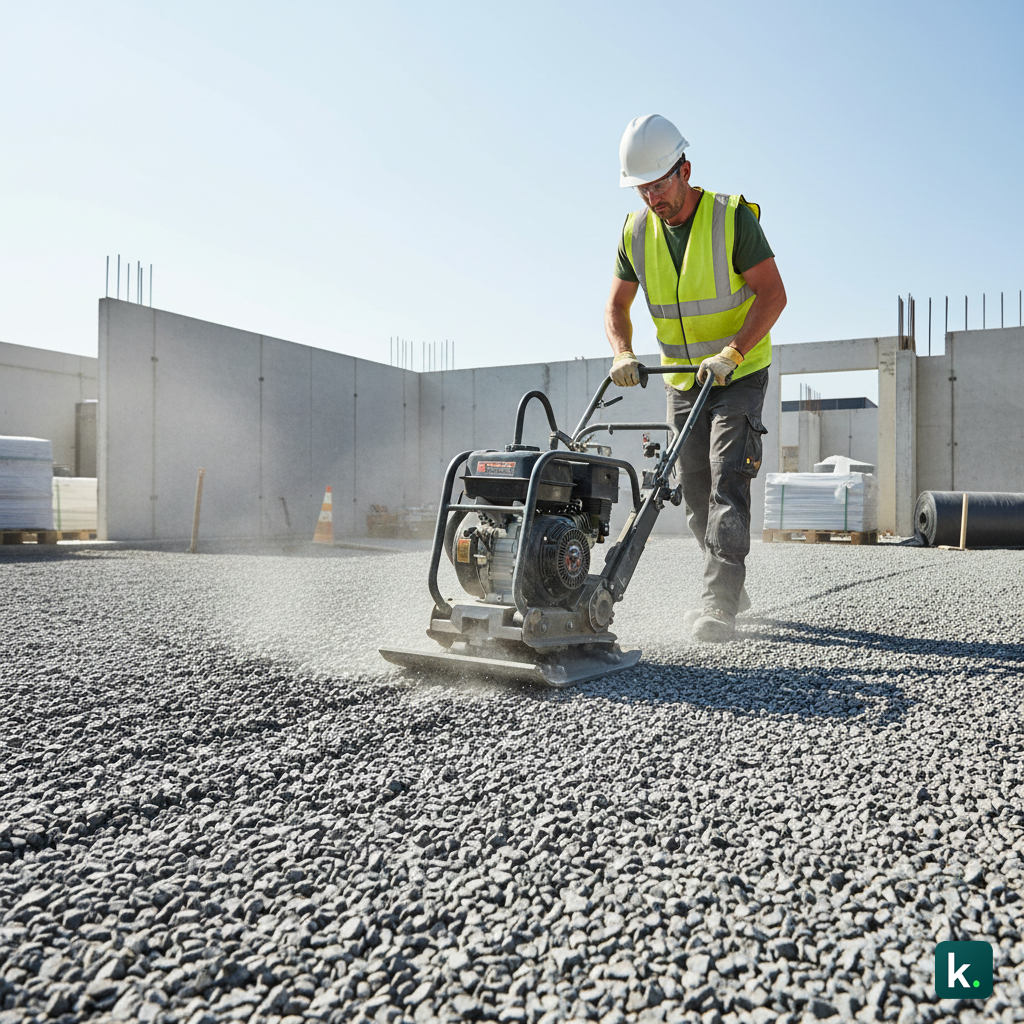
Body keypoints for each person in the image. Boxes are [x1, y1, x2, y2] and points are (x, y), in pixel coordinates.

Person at [604, 114, 787, 642]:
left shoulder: (732, 219)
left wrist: (732, 352)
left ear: (685, 170)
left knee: (729, 483)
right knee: (693, 494)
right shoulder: (635, 232)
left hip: (739, 372)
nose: (652, 198)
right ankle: (728, 583)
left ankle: (719, 602)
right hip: (683, 382)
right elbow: (617, 303)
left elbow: (773, 294)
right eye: (642, 189)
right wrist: (623, 351)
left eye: (660, 185)